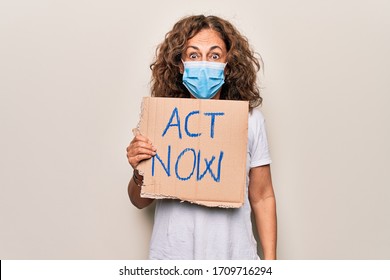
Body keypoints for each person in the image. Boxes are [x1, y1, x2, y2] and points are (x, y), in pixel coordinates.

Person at [126, 14, 277, 260]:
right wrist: (137, 169)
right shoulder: (161, 120)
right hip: (173, 259)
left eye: (214, 55)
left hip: (233, 258)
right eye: (194, 55)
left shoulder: (251, 121)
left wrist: (272, 264)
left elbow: (262, 196)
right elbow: (139, 202)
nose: (204, 63)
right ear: (181, 64)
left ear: (228, 65)